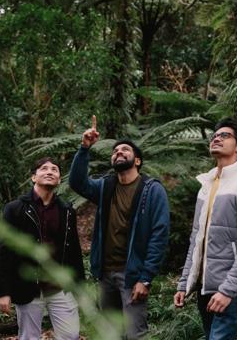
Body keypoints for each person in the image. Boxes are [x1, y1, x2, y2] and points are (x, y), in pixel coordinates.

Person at [69, 115, 170, 340]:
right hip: (105, 274)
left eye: (125, 150)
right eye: (115, 151)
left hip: (132, 275)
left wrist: (146, 278)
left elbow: (159, 234)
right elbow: (77, 183)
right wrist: (84, 148)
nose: (119, 152)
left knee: (136, 334)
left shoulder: (152, 190)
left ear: (137, 161)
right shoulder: (106, 186)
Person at [174, 118, 237, 340]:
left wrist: (228, 289)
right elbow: (196, 241)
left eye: (225, 135)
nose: (216, 137)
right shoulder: (206, 186)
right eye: (214, 135)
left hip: (233, 288)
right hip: (205, 287)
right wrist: (184, 283)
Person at [0, 157, 85, 340]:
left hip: (61, 286)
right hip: (28, 287)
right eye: (44, 168)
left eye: (54, 169)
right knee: (29, 337)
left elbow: (74, 251)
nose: (49, 172)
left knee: (71, 335)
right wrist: (3, 291)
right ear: (33, 177)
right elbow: (4, 252)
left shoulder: (67, 210)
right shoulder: (15, 209)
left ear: (59, 179)